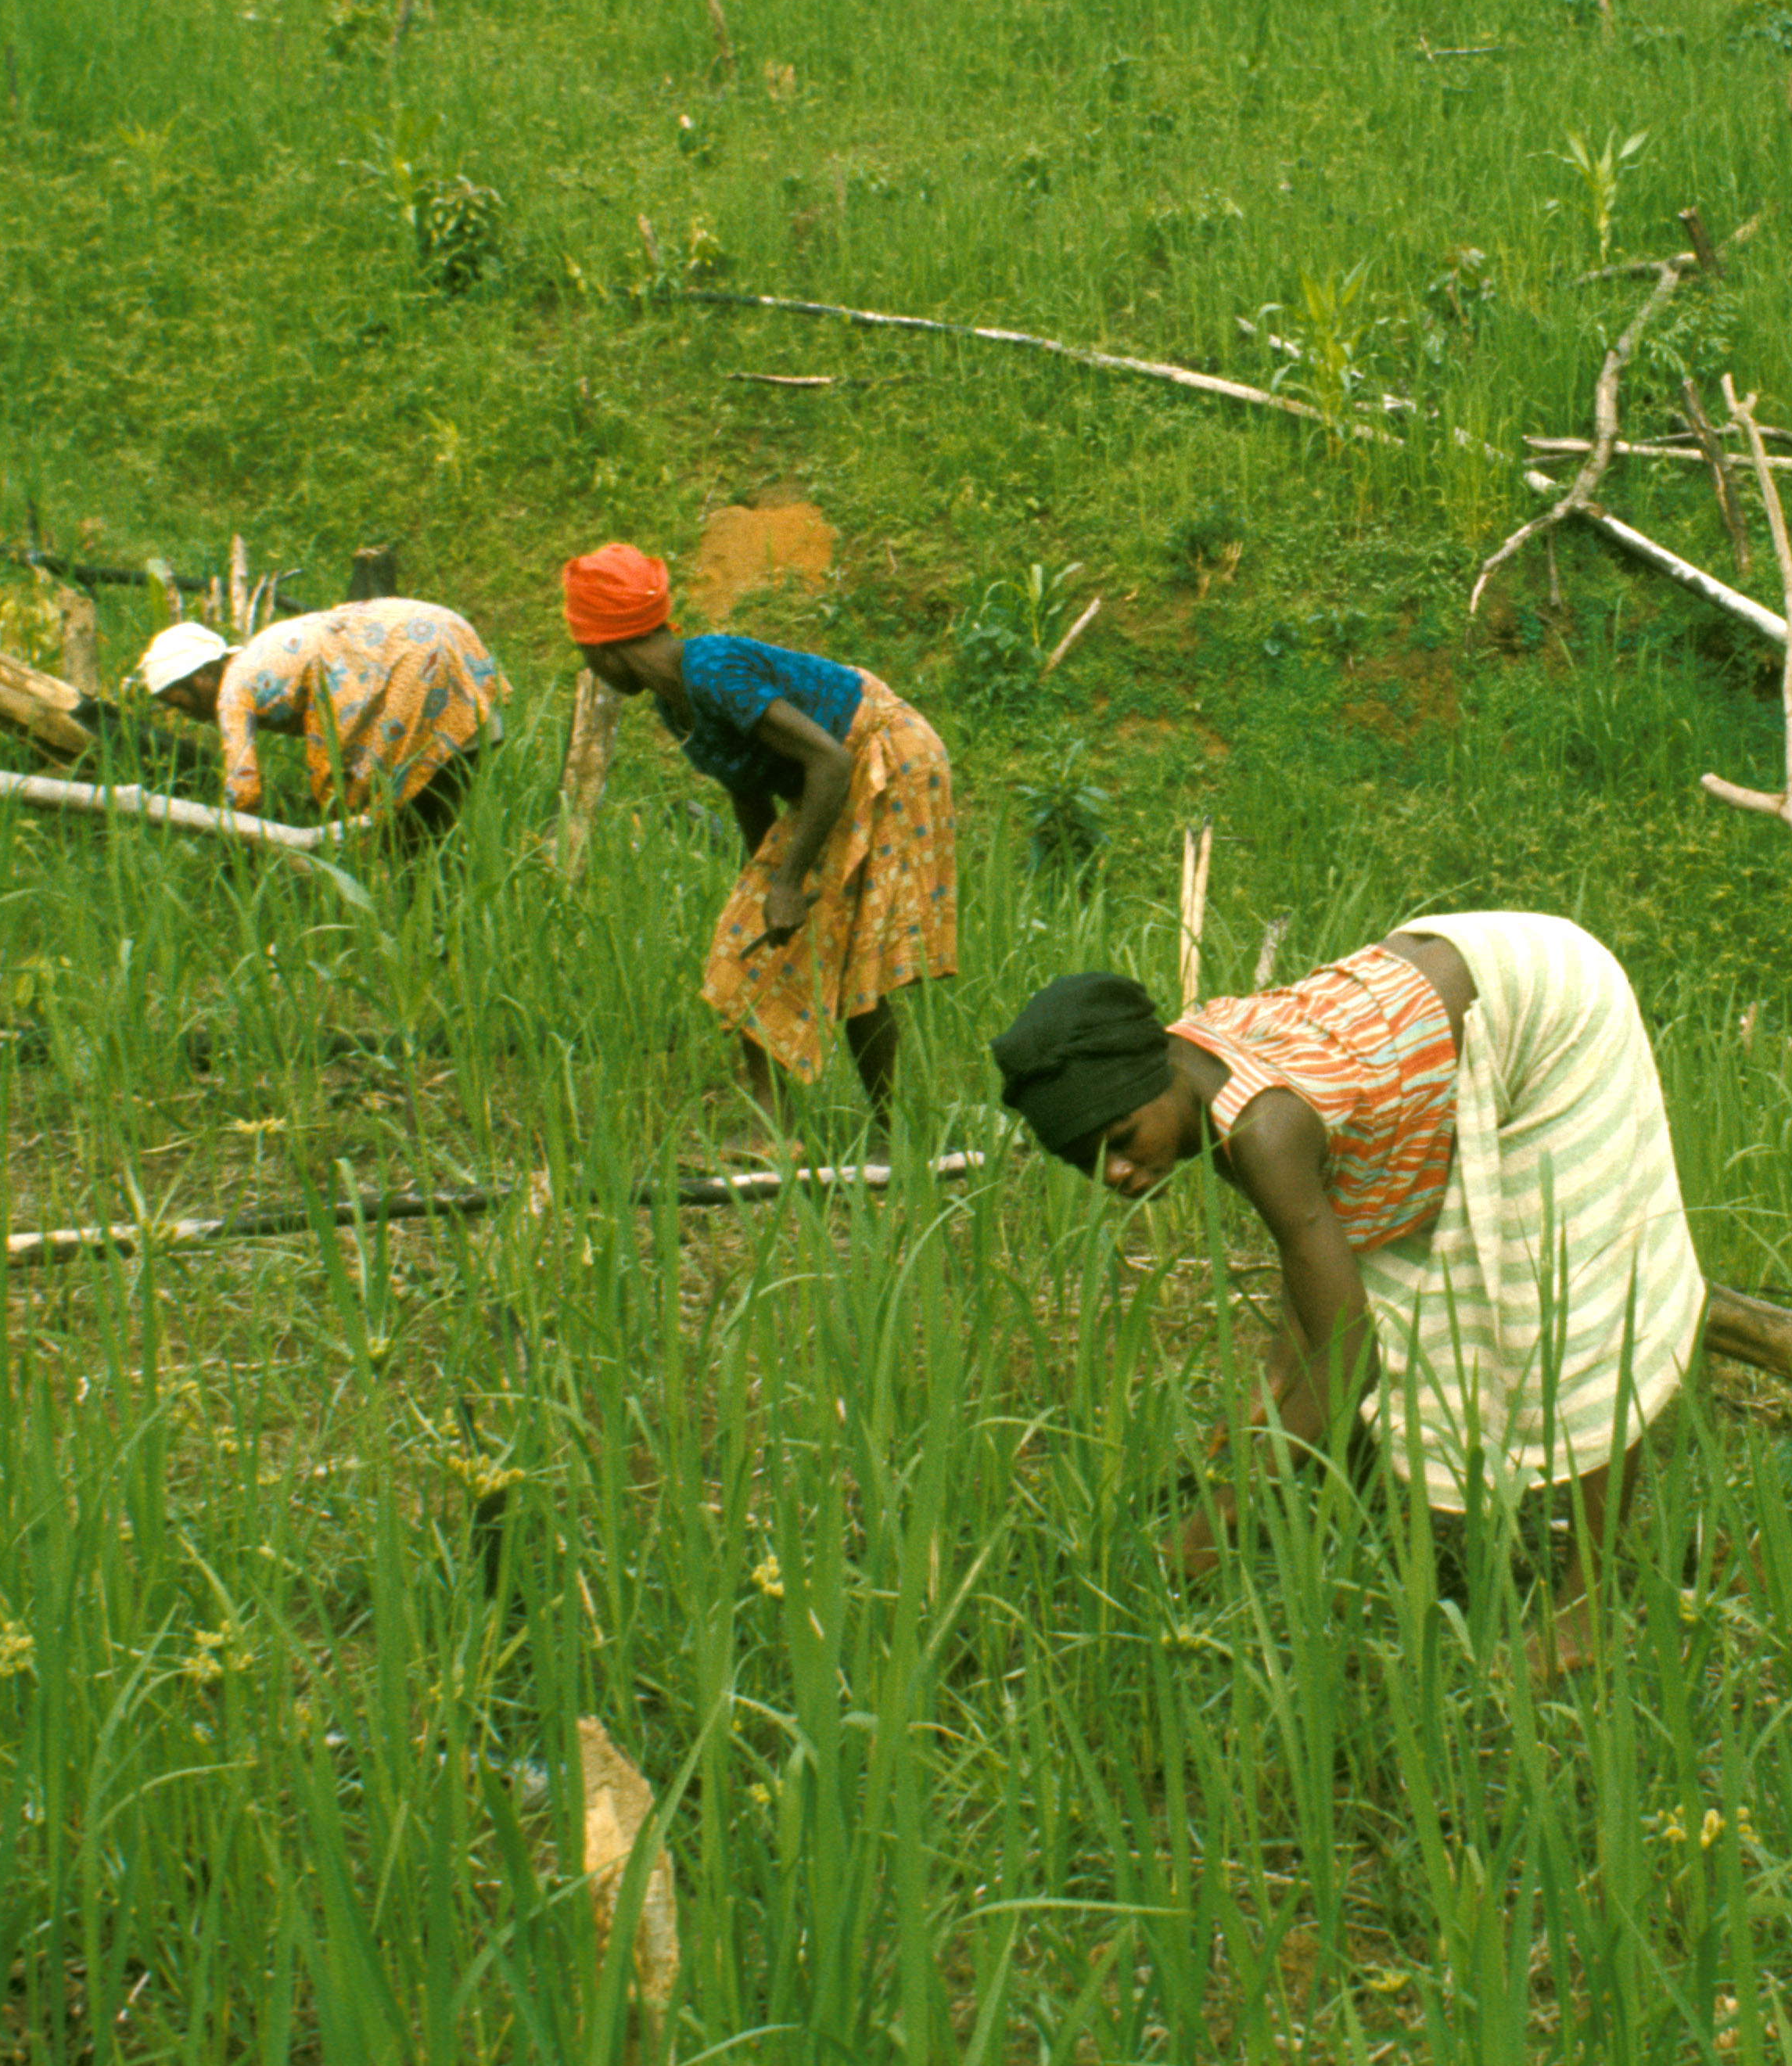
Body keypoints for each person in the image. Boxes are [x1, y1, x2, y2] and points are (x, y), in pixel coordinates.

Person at [988, 913, 1708, 1675]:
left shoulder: (1265, 1132)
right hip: (1449, 986)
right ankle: (1368, 1503)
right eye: (1084, 1161)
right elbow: (1314, 1299)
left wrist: (1216, 1520)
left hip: (1553, 1005)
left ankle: (1584, 1612)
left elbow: (1346, 1356)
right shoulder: (1191, 1071)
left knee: (1572, 1311)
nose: (1115, 1176)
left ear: (1156, 1078)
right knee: (1379, 1286)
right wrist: (1263, 1409)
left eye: (1122, 1140)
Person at [559, 544, 957, 1147]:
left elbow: (828, 759)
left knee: (855, 955)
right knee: (753, 941)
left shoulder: (712, 668)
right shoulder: (676, 702)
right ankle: (782, 1131)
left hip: (884, 756)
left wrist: (785, 883)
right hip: (833, 776)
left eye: (584, 651)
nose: (589, 667)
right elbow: (748, 786)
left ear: (604, 644)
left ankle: (882, 1132)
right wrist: (766, 883)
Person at [138, 600, 508, 849]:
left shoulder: (233, 690)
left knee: (399, 830)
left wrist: (233, 848)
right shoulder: (260, 653)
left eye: (179, 700)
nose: (183, 713)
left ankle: (427, 923)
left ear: (201, 676)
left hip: (420, 664)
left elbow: (243, 792)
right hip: (443, 641)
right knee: (430, 825)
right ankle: (442, 915)